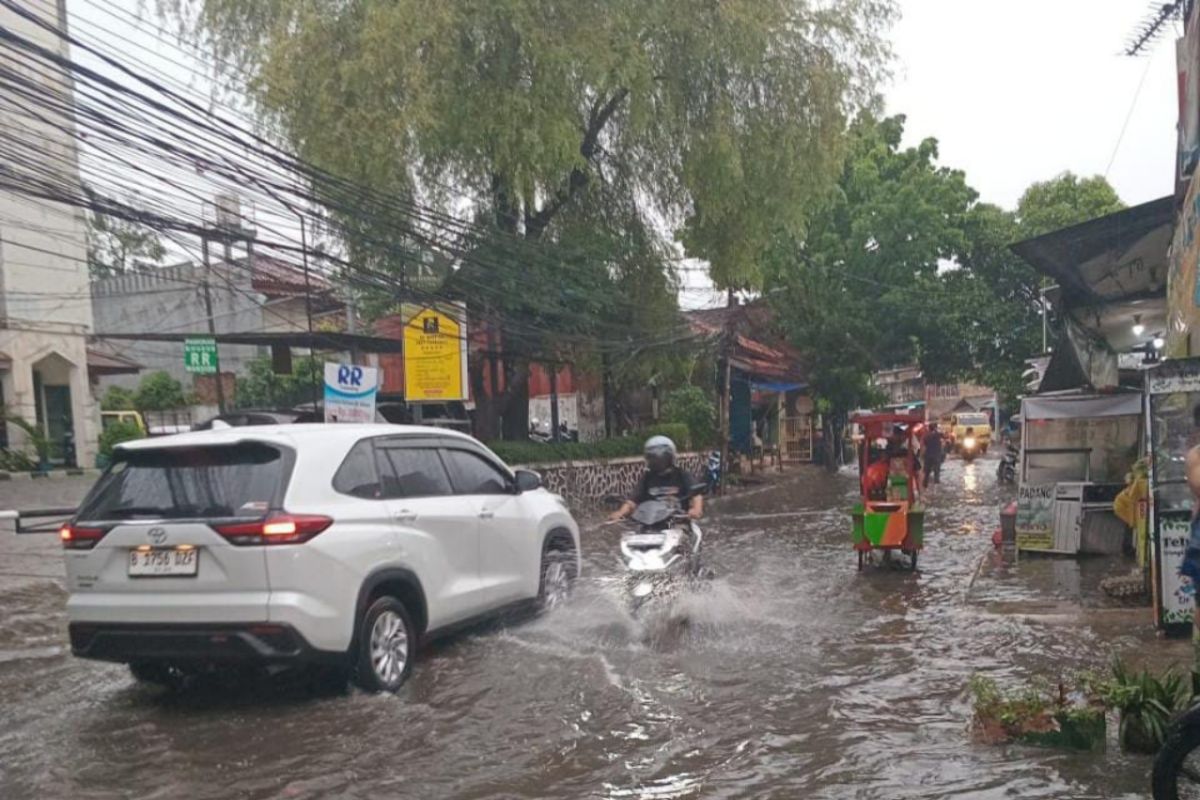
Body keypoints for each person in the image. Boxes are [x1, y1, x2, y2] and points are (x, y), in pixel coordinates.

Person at [610, 435, 704, 521]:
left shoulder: (681, 474)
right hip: (649, 522)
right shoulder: (647, 477)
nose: (658, 462)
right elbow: (633, 500)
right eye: (653, 458)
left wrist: (696, 509)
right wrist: (620, 512)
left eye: (661, 458)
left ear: (670, 457)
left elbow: (696, 495)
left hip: (677, 520)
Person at [922, 422, 944, 488]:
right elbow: (944, 435)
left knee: (927, 472)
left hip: (928, 455)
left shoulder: (926, 436)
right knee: (936, 472)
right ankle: (936, 486)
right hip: (936, 455)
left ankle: (925, 485)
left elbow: (925, 444)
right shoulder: (938, 435)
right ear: (935, 428)